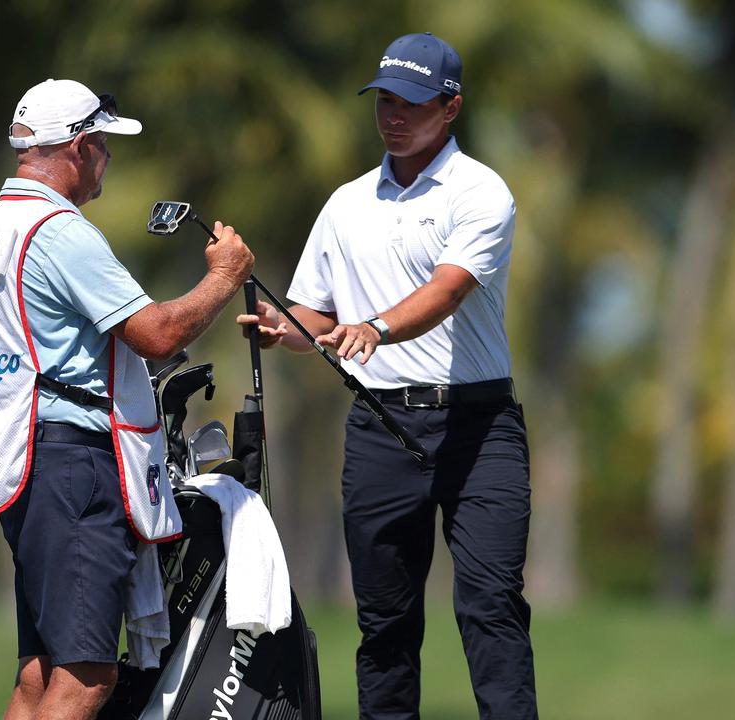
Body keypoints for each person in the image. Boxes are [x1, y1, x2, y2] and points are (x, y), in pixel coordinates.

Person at [239, 33, 537, 719]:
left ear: (451, 106)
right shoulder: (346, 205)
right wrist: (289, 329)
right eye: (384, 101)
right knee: (385, 627)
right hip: (380, 428)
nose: (393, 115)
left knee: (490, 608)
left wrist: (373, 327)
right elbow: (314, 310)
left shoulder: (481, 192)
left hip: (478, 430)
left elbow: (448, 290)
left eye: (411, 102)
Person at [0, 78, 254, 720]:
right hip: (74, 467)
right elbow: (158, 335)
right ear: (79, 147)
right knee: (85, 675)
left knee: (39, 673)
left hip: (19, 460)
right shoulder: (60, 231)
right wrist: (224, 277)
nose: (109, 159)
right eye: (105, 145)